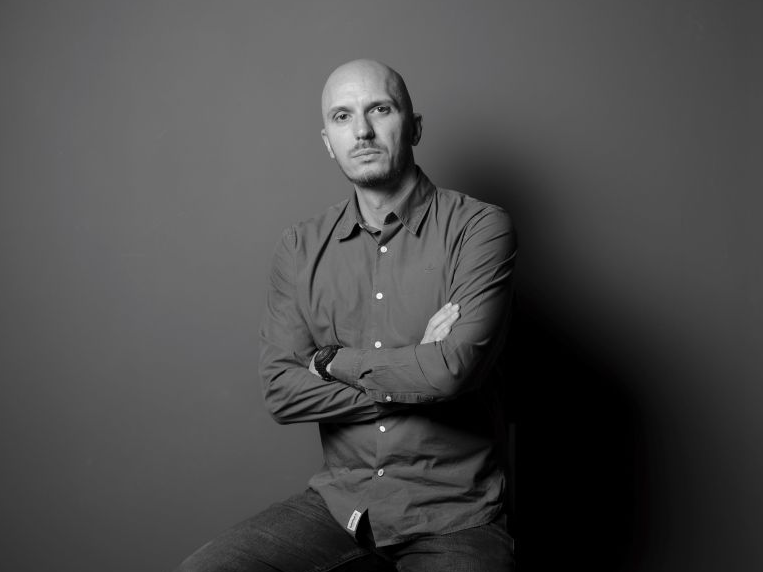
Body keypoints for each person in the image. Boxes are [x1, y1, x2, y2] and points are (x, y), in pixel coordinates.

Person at [174, 58, 517, 572]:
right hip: (340, 507)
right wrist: (415, 373)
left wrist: (331, 361)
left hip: (454, 514)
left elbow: (450, 371)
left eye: (380, 109)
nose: (362, 131)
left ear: (414, 127)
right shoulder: (300, 247)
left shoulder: (479, 228)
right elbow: (281, 391)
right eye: (342, 116)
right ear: (328, 142)